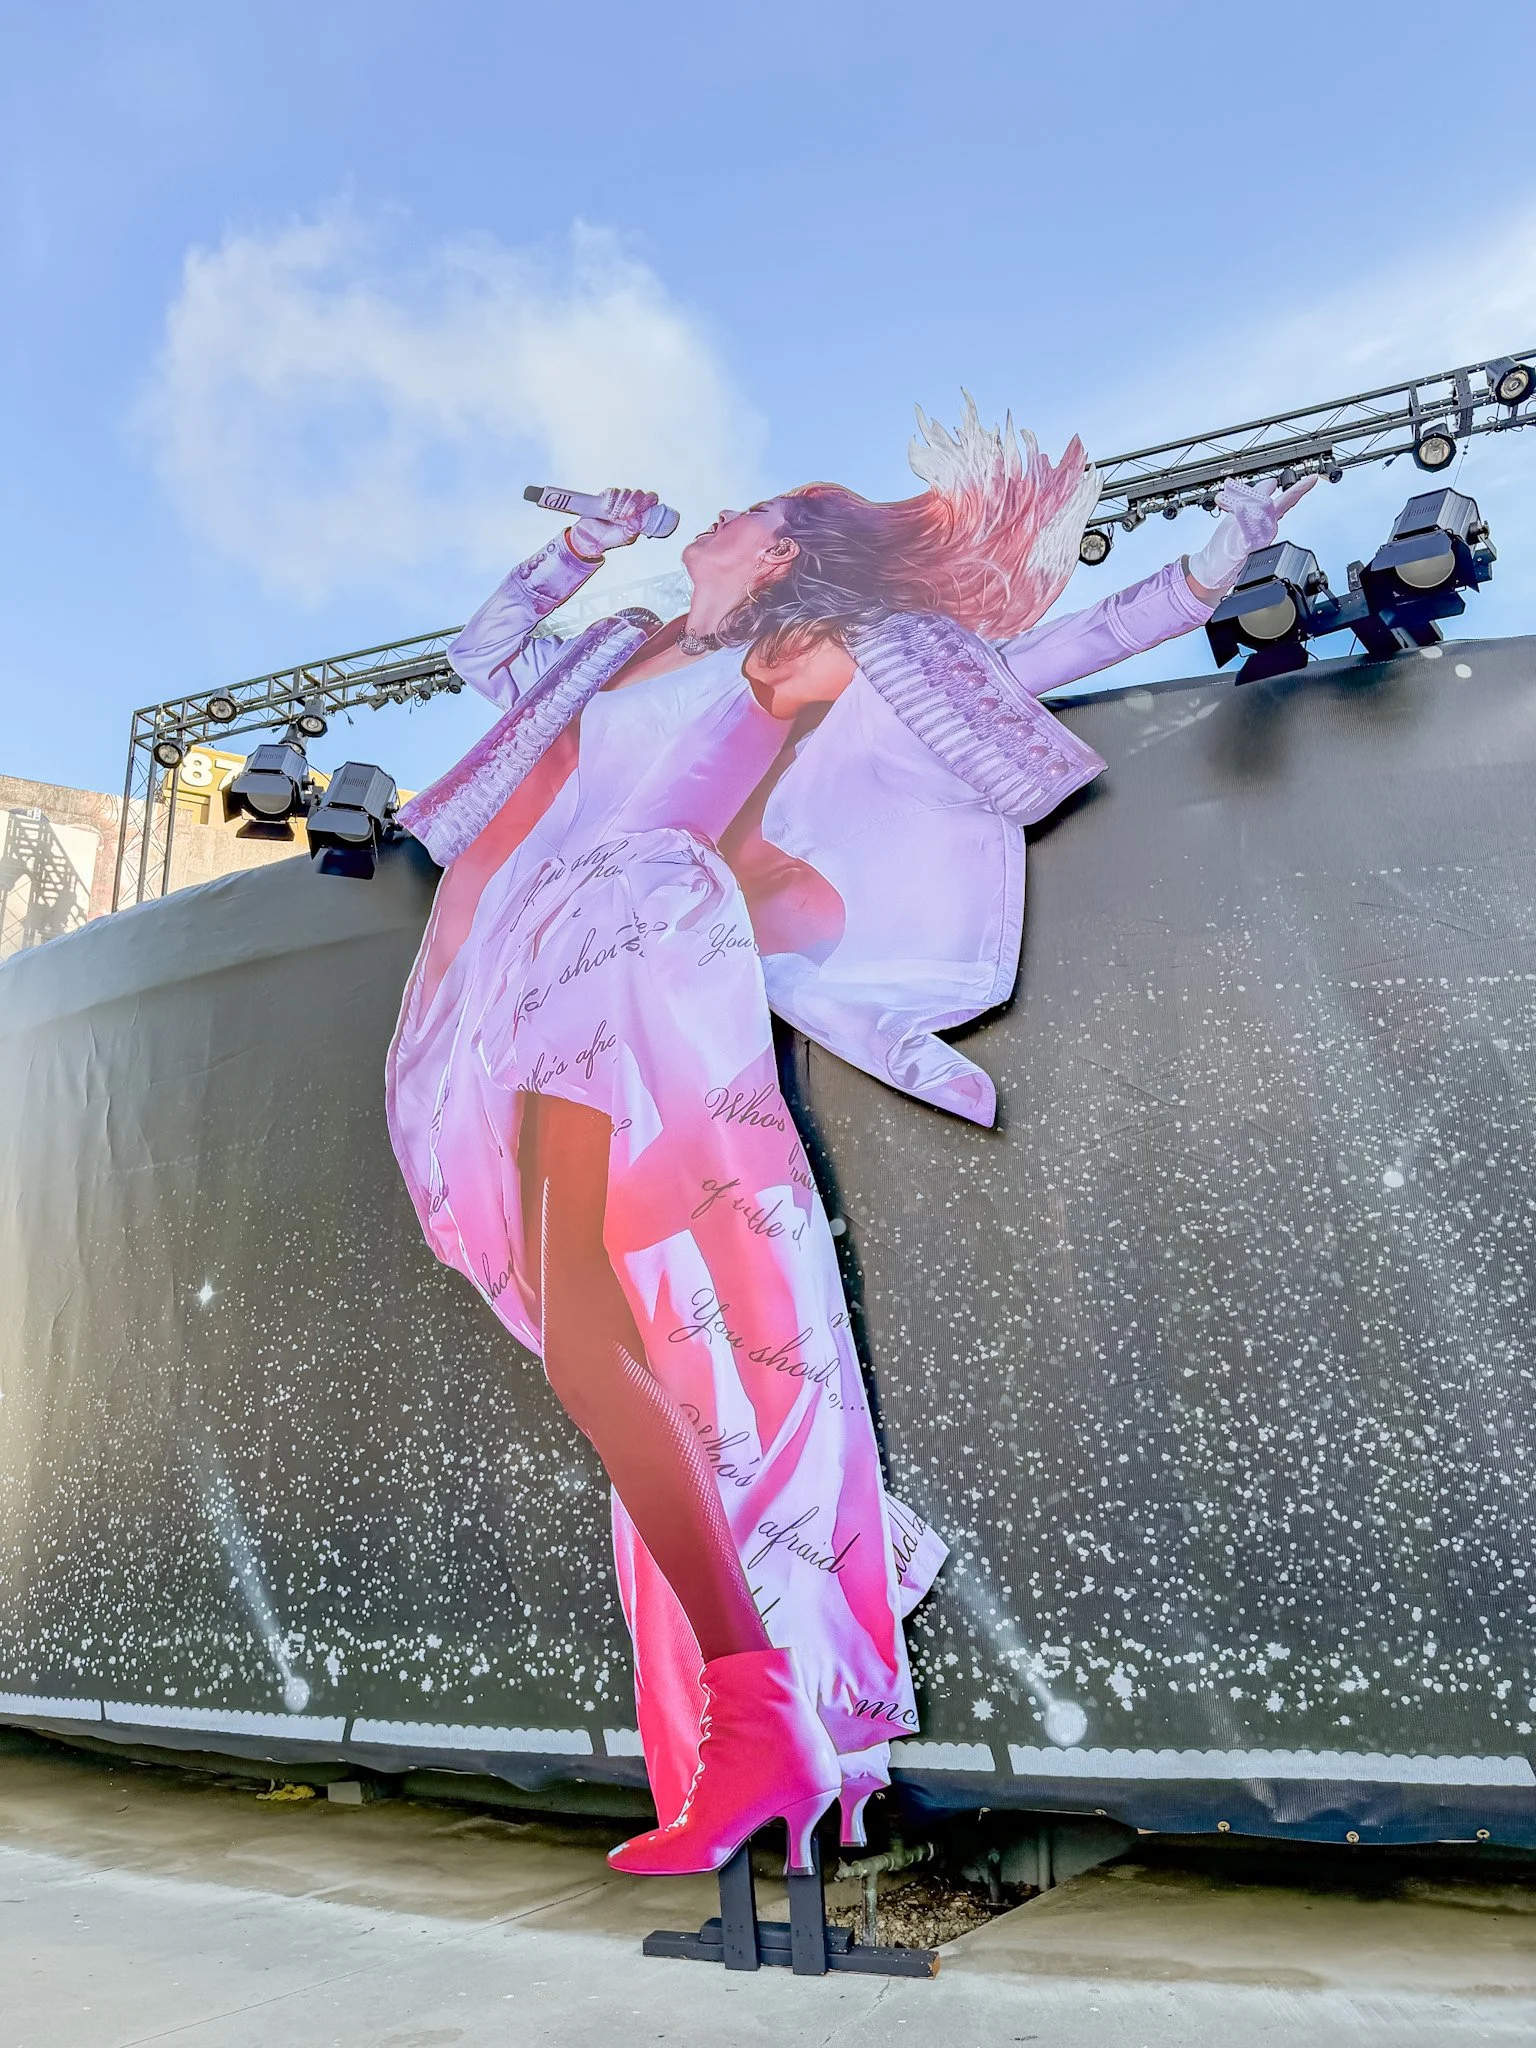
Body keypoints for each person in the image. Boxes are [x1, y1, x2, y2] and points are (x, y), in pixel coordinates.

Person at [386, 401, 1314, 1876]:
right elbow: (484, 658)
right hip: (528, 960)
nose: (716, 516)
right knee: (595, 1335)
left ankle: (763, 1705)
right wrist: (578, 553)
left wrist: (1202, 579)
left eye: (748, 510)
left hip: (636, 930)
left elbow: (1024, 664)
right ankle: (762, 1710)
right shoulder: (619, 644)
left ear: (783, 556)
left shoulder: (790, 653)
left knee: (597, 1324)